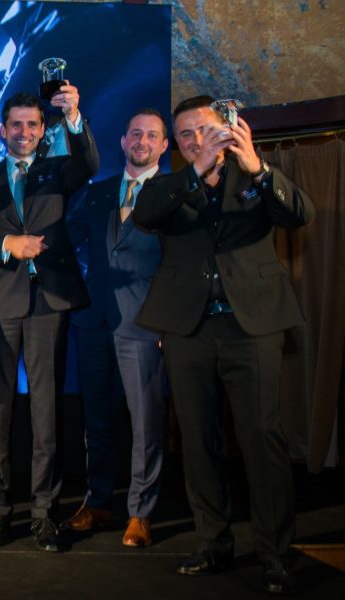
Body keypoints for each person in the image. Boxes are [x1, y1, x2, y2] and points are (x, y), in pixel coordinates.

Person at [132, 96, 314, 595]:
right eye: (186, 134)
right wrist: (196, 171)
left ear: (227, 130)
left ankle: (275, 552)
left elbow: (300, 213)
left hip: (251, 327)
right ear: (176, 143)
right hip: (188, 331)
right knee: (198, 440)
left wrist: (257, 167)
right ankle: (213, 544)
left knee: (262, 438)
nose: (197, 140)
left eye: (205, 130)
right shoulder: (169, 186)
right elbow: (145, 215)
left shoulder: (254, 177)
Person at [0, 86, 98, 552]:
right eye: (16, 125)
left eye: (32, 124)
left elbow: (89, 164)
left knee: (46, 410)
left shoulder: (58, 170)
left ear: (44, 131)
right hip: (1, 301)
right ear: (2, 130)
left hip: (49, 303)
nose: (24, 132)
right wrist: (7, 246)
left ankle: (44, 511)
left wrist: (75, 116)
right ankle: (0, 508)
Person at [62, 108, 169, 548]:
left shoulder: (174, 194)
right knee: (97, 420)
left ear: (164, 145)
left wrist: (167, 322)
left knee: (145, 423)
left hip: (146, 325)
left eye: (152, 135)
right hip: (94, 322)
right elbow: (67, 239)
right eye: (135, 134)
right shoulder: (99, 192)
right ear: (123, 141)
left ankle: (140, 512)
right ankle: (98, 501)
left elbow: (181, 263)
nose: (142, 141)